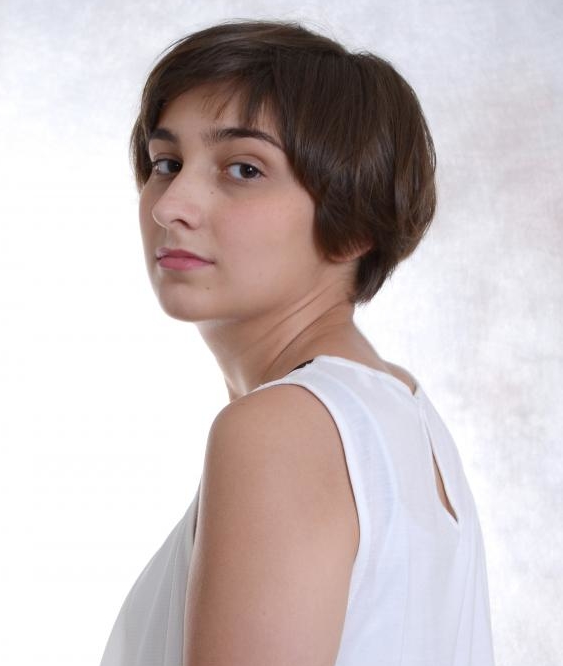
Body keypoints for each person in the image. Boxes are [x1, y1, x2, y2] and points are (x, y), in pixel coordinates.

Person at [100, 19, 495, 666]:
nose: (171, 205)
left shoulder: (281, 429)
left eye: (244, 169)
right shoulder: (400, 410)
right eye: (166, 163)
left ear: (355, 222)